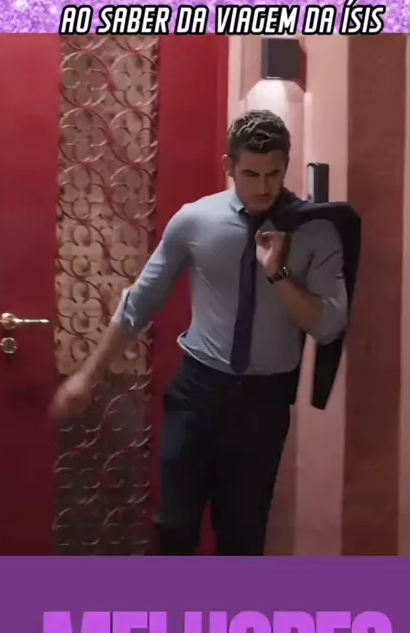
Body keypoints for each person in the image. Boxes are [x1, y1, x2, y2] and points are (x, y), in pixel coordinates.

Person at [51, 109, 348, 556]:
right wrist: (87, 378)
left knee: (242, 541)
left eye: (274, 174)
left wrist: (278, 274)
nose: (264, 187)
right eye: (250, 174)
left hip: (263, 404)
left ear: (286, 165)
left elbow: (328, 327)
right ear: (229, 166)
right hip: (198, 393)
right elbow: (139, 303)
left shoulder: (315, 232)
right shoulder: (195, 221)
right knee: (174, 530)